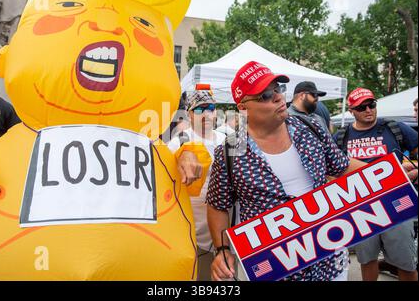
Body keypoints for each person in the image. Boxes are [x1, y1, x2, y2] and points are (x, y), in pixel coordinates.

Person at [205, 61, 418, 281]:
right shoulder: (230, 151)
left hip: (330, 261)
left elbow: (342, 165)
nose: (278, 97)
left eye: (278, 89)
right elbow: (218, 205)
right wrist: (221, 250)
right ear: (242, 106)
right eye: (265, 96)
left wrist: (393, 176)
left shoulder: (310, 128)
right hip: (273, 267)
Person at [333, 87, 418, 281]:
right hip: (361, 208)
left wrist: (415, 170)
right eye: (361, 107)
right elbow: (330, 170)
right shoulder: (341, 136)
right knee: (367, 260)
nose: (368, 110)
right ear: (352, 111)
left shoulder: (394, 127)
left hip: (397, 203)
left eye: (371, 104)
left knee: (405, 262)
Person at [167, 89, 226, 281]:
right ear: (190, 114)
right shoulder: (179, 142)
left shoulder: (226, 140)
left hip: (224, 228)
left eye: (210, 108)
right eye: (200, 109)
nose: (207, 114)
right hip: (193, 230)